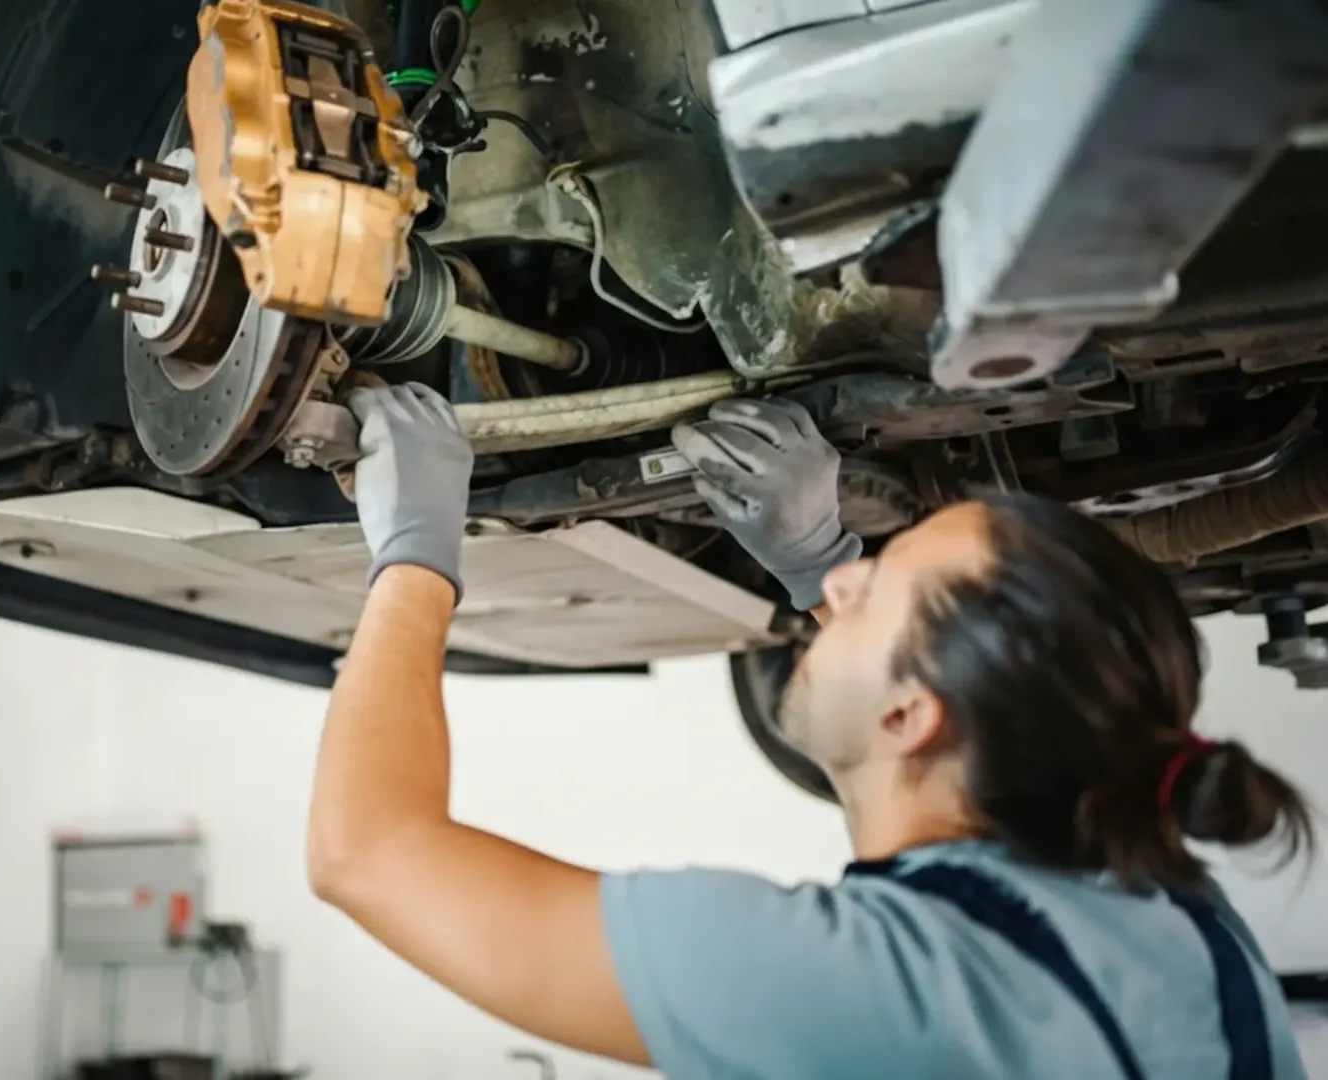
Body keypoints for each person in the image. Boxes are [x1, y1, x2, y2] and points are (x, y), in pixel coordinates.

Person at [305, 383, 1315, 1078]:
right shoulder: (1180, 933)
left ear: (908, 715)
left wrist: (413, 559)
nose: (838, 584)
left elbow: (367, 854)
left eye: (867, 589)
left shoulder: (878, 985)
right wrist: (815, 561)